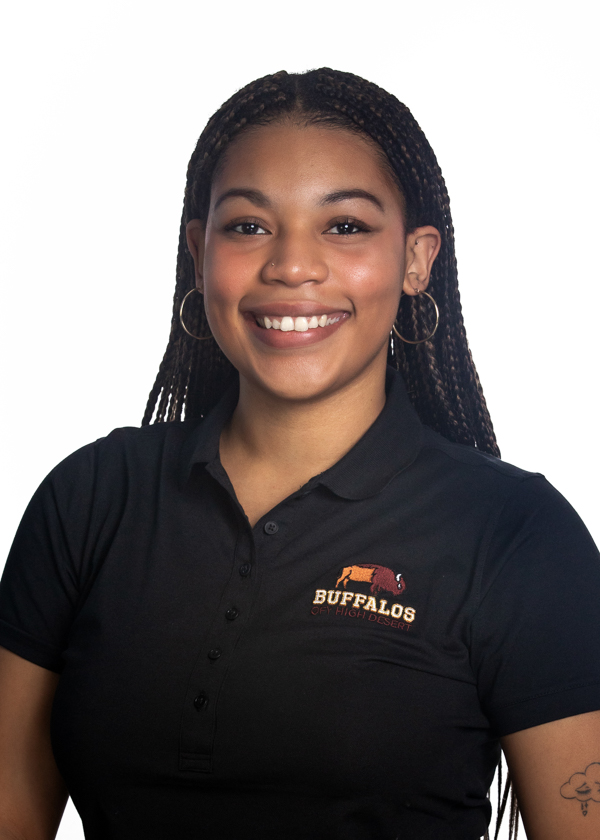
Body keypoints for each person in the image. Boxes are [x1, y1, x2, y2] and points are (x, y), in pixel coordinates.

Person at [1, 68, 599, 840]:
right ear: (199, 251)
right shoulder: (91, 498)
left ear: (416, 260)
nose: (291, 265)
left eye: (344, 226)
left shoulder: (517, 534)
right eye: (249, 226)